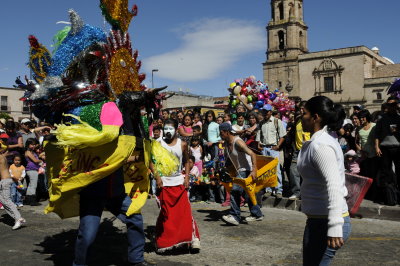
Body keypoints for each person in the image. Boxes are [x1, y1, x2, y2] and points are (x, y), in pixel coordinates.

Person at [297, 96, 351, 265]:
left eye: (304, 113)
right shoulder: (318, 141)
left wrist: (335, 226)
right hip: (318, 220)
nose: (301, 117)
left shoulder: (321, 146)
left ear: (315, 117)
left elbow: (334, 185)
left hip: (326, 222)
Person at [154, 119, 201, 252]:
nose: (168, 131)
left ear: (176, 129)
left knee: (184, 212)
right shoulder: (157, 143)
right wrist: (157, 177)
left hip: (179, 183)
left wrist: (186, 177)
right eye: (166, 128)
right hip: (163, 183)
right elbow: (151, 161)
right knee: (166, 214)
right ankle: (165, 240)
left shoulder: (183, 144)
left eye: (171, 128)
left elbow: (187, 161)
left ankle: (193, 238)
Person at [219, 122, 263, 225]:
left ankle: (235, 216)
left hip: (246, 170)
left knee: (235, 191)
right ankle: (257, 214)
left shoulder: (238, 142)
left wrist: (254, 170)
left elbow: (252, 154)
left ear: (226, 132)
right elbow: (229, 160)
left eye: (221, 133)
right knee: (247, 194)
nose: (220, 135)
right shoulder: (226, 143)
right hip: (239, 170)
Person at [374, 96, 400, 205]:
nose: (391, 106)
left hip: (398, 147)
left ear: (397, 105)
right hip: (385, 148)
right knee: (386, 173)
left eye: (394, 104)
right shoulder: (382, 119)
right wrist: (377, 147)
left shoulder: (399, 118)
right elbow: (377, 134)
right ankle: (390, 197)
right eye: (389, 104)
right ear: (387, 105)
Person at [256, 107, 286, 198]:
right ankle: (268, 189)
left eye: (266, 112)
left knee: (276, 170)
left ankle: (278, 190)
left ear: (270, 112)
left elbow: (283, 135)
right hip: (264, 148)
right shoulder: (261, 123)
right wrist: (259, 144)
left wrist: (277, 146)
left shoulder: (277, 121)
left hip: (273, 149)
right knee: (266, 171)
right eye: (263, 112)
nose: (264, 113)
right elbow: (259, 135)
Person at [289, 101, 310, 200]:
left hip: (308, 150)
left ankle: (307, 192)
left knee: (307, 173)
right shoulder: (297, 120)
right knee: (293, 171)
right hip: (297, 150)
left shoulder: (311, 120)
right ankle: (296, 192)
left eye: (303, 109)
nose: (301, 111)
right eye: (300, 109)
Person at [0, 155, 26, 230]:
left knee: (7, 201)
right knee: (4, 202)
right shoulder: (2, 156)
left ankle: (18, 218)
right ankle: (18, 218)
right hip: (4, 181)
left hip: (5, 181)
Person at [24, 138, 42, 206]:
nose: (34, 146)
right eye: (32, 144)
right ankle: (32, 201)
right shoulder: (28, 152)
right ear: (28, 145)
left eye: (34, 144)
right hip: (32, 169)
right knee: (33, 185)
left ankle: (28, 200)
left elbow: (38, 145)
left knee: (31, 185)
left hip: (33, 169)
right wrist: (41, 161)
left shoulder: (32, 151)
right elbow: (35, 160)